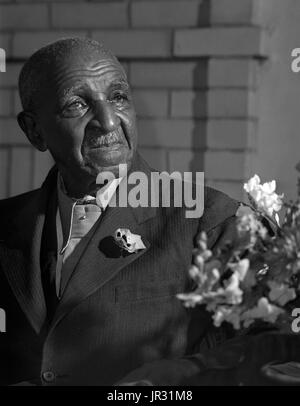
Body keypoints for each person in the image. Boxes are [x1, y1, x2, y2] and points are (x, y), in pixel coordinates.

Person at [0, 37, 298, 387]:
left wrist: (187, 374)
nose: (109, 122)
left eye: (118, 97)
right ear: (34, 130)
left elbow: (281, 339)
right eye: (77, 105)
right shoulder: (7, 224)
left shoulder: (211, 219)